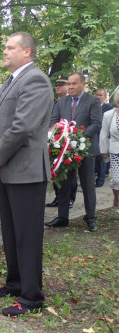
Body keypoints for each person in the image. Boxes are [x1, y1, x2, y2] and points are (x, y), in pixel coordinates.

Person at [0, 32, 53, 316]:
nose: (5, 51)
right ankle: (15, 283)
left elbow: (22, 126)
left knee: (27, 235)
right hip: (9, 168)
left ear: (27, 52)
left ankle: (32, 297)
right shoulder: (13, 80)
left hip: (26, 170)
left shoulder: (35, 79)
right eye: (4, 47)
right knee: (11, 233)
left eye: (10, 47)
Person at [45, 72, 101, 232]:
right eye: (69, 84)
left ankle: (90, 217)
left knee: (88, 184)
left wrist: (76, 138)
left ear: (83, 84)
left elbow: (96, 123)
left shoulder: (93, 101)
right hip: (64, 150)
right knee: (63, 184)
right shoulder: (61, 102)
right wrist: (61, 139)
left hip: (86, 149)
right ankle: (63, 217)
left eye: (74, 83)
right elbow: (53, 122)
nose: (70, 87)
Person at [46, 75, 77, 208]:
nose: (57, 87)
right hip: (55, 138)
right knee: (55, 167)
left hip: (69, 139)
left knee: (69, 170)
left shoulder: (71, 102)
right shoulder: (55, 102)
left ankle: (70, 197)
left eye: (61, 85)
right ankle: (59, 197)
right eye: (56, 85)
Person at [100, 92, 119, 211]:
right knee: (116, 179)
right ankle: (117, 198)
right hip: (115, 150)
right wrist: (103, 150)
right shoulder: (109, 114)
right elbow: (103, 134)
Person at [95, 89, 113, 187]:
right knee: (96, 159)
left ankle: (100, 180)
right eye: (97, 95)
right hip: (94, 136)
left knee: (102, 159)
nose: (98, 97)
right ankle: (97, 173)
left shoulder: (109, 109)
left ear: (105, 97)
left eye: (100, 95)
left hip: (104, 137)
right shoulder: (92, 107)